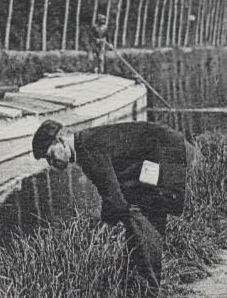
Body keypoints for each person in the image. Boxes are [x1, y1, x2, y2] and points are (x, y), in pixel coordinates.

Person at [31, 117, 190, 283]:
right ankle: (141, 281)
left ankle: (148, 291)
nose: (52, 163)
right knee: (139, 210)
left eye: (51, 155)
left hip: (164, 152)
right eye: (48, 161)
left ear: (61, 141)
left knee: (138, 214)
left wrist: (105, 224)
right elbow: (111, 189)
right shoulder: (84, 144)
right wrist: (111, 217)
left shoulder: (88, 149)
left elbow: (113, 195)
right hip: (163, 149)